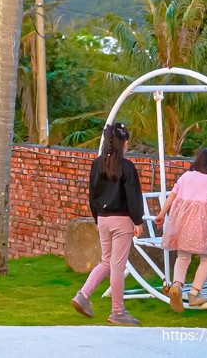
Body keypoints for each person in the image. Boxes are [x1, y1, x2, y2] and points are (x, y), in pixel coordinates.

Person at [71, 122, 145, 326]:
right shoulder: (127, 167)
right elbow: (133, 197)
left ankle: (83, 295)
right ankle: (117, 312)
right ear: (124, 142)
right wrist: (138, 221)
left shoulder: (97, 164)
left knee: (106, 262)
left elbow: (92, 195)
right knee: (117, 267)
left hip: (102, 219)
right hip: (122, 221)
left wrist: (97, 218)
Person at [154, 146, 207, 312]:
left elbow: (173, 194)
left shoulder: (186, 176)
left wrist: (162, 214)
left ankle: (176, 284)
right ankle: (195, 293)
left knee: (183, 256)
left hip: (182, 223)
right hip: (203, 225)